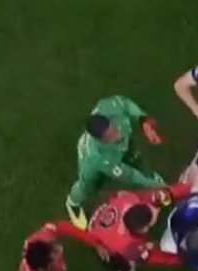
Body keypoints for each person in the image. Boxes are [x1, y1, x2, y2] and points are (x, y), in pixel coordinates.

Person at [66, 95, 165, 229]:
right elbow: (130, 176)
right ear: (101, 140)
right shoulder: (100, 158)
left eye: (114, 129)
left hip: (118, 149)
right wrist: (159, 187)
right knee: (88, 186)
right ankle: (73, 203)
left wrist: (143, 120)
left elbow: (125, 104)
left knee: (135, 156)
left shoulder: (110, 107)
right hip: (90, 163)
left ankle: (151, 177)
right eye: (111, 136)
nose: (118, 135)